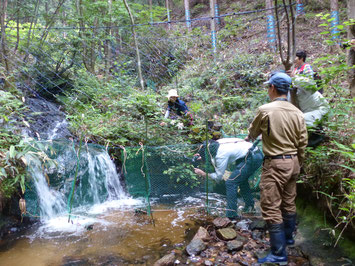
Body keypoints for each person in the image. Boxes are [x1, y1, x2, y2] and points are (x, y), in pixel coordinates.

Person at [246, 72, 308, 265]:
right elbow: (303, 142)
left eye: (268, 87)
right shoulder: (297, 112)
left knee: (271, 206)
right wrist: (298, 161)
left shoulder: (265, 110)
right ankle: (288, 239)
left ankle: (279, 254)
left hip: (275, 163)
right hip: (294, 162)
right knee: (288, 202)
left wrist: (250, 137)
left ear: (272, 88)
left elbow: (253, 132)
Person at [193, 138, 263, 219]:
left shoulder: (220, 156)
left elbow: (218, 177)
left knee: (231, 183)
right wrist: (199, 154)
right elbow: (205, 150)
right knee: (241, 181)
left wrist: (203, 174)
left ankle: (231, 215)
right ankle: (250, 207)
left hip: (252, 157)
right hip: (251, 153)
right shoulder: (216, 144)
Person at [288, 50, 329, 128]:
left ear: (301, 58)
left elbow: (310, 84)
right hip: (305, 104)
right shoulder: (295, 69)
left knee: (300, 122)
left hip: (315, 105)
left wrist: (295, 78)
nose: (294, 59)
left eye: (296, 57)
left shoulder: (306, 67)